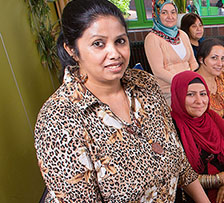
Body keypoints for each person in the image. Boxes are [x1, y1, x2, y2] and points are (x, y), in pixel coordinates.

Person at [34, 0, 209, 201]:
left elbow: (179, 161)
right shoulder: (59, 119)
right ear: (71, 50)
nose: (115, 54)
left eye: (120, 41)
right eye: (98, 44)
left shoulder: (145, 84)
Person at [171, 71, 224, 203]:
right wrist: (218, 179)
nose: (199, 101)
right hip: (191, 194)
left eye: (203, 94)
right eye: (190, 94)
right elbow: (179, 177)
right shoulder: (170, 128)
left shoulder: (210, 116)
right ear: (178, 96)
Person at [145, 0, 199, 105]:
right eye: (164, 12)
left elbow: (193, 61)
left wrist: (191, 82)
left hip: (189, 87)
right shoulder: (152, 38)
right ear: (156, 14)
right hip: (169, 92)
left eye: (173, 12)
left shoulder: (182, 34)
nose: (170, 16)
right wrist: (182, 83)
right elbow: (158, 71)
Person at [195, 39, 224, 126]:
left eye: (223, 59)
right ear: (201, 59)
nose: (220, 64)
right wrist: (222, 124)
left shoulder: (220, 77)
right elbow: (197, 123)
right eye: (214, 58)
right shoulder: (193, 85)